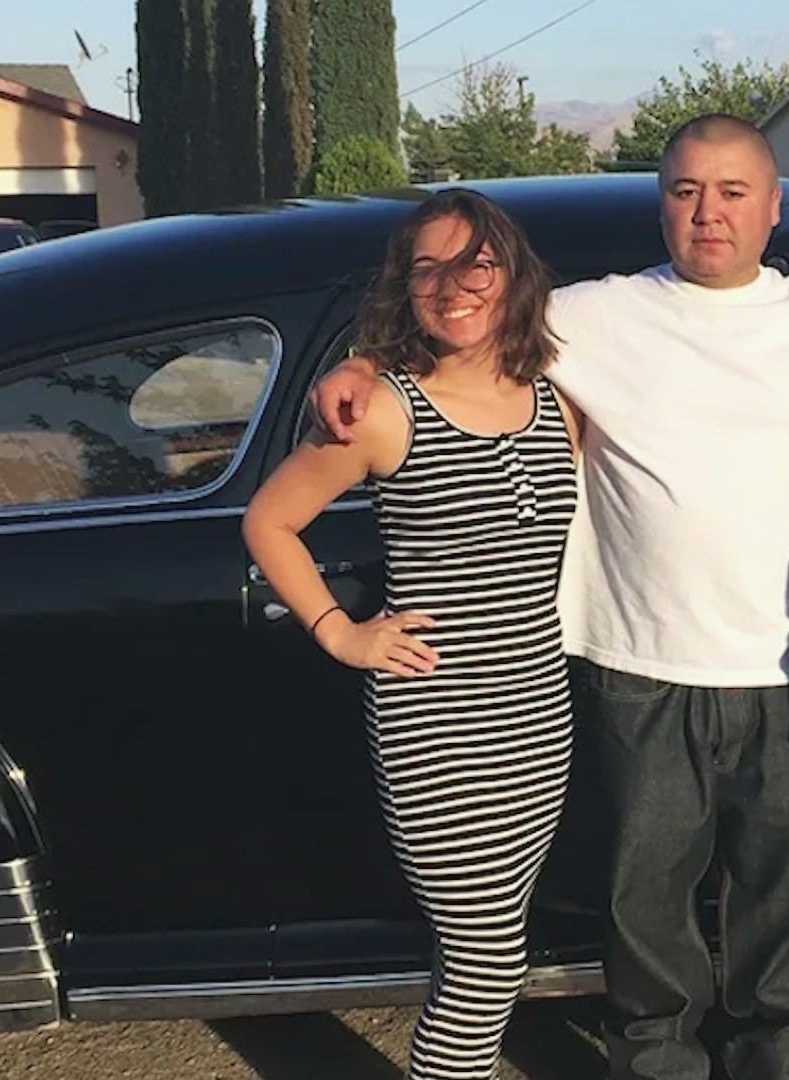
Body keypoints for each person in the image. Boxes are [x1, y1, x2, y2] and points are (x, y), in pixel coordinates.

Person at [310, 115, 789, 1080]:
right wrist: (353, 365)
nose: (708, 212)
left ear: (771, 205)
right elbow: (456, 329)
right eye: (686, 191)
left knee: (788, 927)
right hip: (638, 672)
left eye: (732, 192)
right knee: (648, 930)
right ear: (662, 206)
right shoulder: (588, 316)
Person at [243, 188, 579, 1080]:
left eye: (474, 261)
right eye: (426, 268)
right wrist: (341, 633)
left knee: (498, 942)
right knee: (483, 963)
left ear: (512, 273)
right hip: (437, 722)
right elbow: (270, 522)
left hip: (539, 718)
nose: (452, 284)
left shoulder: (555, 399)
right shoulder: (387, 409)